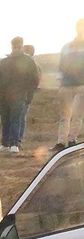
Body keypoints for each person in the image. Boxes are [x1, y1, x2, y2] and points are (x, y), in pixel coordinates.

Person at [0, 36, 39, 153]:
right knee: (5, 120)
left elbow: (34, 79)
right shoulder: (4, 62)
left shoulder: (28, 61)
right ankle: (5, 144)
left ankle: (14, 144)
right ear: (11, 46)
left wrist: (28, 93)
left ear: (21, 46)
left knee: (16, 119)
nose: (15, 48)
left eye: (18, 46)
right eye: (14, 46)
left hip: (20, 95)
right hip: (4, 96)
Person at [51, 18, 84, 153]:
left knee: (77, 115)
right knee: (64, 115)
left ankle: (72, 140)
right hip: (66, 85)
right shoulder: (66, 46)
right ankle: (61, 142)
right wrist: (60, 83)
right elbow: (61, 65)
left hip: (81, 85)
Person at [19, 45, 41, 148]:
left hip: (26, 94)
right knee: (20, 116)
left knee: (21, 116)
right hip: (22, 93)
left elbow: (36, 81)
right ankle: (18, 138)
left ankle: (19, 138)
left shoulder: (33, 65)